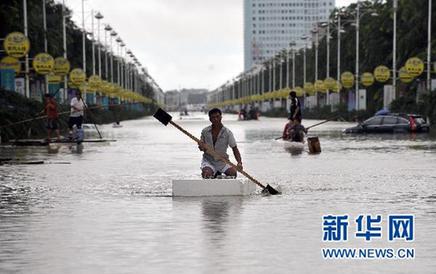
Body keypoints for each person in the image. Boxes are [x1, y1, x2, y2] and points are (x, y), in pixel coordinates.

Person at [198, 108, 243, 178]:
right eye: (213, 117)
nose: (216, 119)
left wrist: (239, 163)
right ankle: (213, 172)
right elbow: (201, 148)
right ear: (210, 119)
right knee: (206, 174)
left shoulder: (227, 133)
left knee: (233, 174)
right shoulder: (205, 131)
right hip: (208, 161)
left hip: (222, 161)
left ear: (221, 117)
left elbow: (234, 148)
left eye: (217, 116)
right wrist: (201, 146)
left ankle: (218, 172)